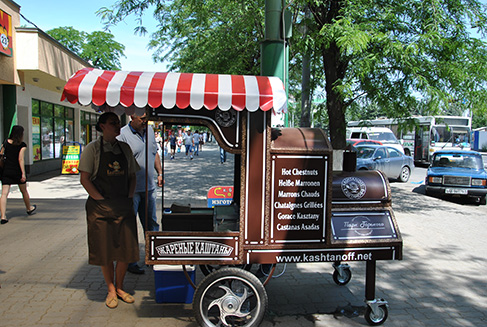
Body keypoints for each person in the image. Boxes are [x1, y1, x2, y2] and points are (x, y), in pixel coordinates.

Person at [78, 112, 139, 309]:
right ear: (102, 126)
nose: (117, 126)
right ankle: (111, 289)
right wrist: (100, 199)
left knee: (125, 250)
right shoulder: (92, 149)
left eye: (118, 123)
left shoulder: (125, 148)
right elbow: (85, 179)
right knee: (105, 250)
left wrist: (130, 197)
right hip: (100, 209)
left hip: (123, 206)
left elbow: (132, 176)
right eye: (112, 123)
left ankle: (121, 287)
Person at [117, 113, 163, 275]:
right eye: (142, 118)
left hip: (149, 188)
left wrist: (160, 173)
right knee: (129, 227)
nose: (145, 121)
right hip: (131, 190)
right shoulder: (122, 135)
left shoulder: (149, 130)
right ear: (132, 117)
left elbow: (154, 153)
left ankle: (154, 256)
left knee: (151, 223)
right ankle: (130, 261)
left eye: (146, 118)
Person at [0, 126, 37, 224]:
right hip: (17, 171)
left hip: (6, 171)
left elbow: (1, 154)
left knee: (4, 194)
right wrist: (23, 174)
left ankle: (3, 216)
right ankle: (29, 208)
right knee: (24, 191)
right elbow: (20, 159)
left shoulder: (5, 142)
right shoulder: (22, 145)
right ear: (20, 134)